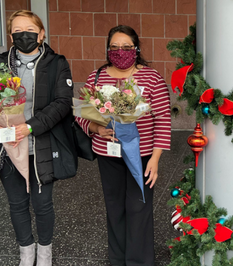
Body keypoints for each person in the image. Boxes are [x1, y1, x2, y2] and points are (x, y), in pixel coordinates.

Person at [0, 10, 73, 266]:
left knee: (42, 204)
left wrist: (29, 127)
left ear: (41, 33)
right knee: (17, 203)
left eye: (29, 29)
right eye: (17, 31)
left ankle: (45, 253)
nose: (23, 35)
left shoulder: (57, 63)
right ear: (10, 36)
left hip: (39, 145)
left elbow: (62, 103)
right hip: (7, 146)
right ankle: (26, 253)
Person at [75, 25, 171, 265]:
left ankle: (139, 261)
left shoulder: (151, 78)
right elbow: (80, 113)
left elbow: (162, 118)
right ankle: (117, 259)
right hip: (107, 154)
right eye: (114, 47)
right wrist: (96, 129)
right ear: (108, 50)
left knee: (139, 207)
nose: (120, 52)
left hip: (142, 154)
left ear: (136, 49)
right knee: (115, 207)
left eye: (126, 47)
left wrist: (156, 159)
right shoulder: (95, 77)